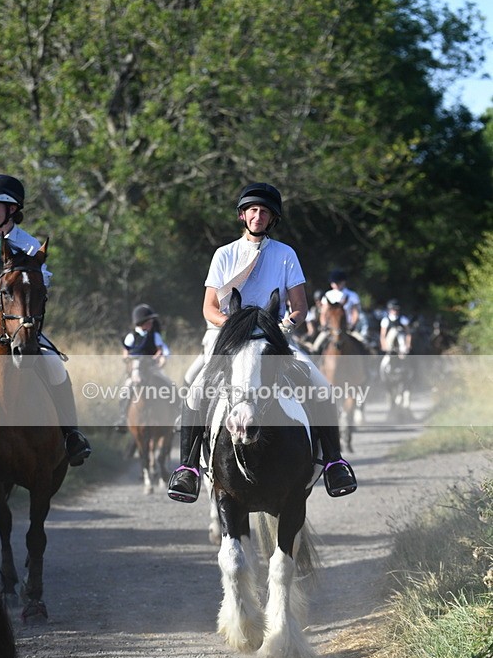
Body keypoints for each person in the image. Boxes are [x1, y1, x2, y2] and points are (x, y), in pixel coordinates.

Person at [167, 182, 357, 503]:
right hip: (229, 338)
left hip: (273, 337)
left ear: (272, 219)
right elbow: (209, 308)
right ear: (243, 215)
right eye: (253, 210)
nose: (258, 216)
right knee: (195, 389)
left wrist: (282, 326)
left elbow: (299, 307)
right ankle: (188, 468)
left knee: (322, 387)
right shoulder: (224, 254)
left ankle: (334, 463)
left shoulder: (285, 255)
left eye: (265, 212)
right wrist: (236, 326)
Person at [0, 173, 91, 467]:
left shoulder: (30, 245)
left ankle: (71, 435)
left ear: (12, 209)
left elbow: (41, 285)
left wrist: (25, 310)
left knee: (54, 365)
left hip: (20, 322)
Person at [115, 303, 173, 430]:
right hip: (136, 369)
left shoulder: (155, 336)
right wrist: (127, 359)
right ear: (141, 322)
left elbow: (159, 350)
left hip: (151, 368)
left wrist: (157, 357)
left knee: (168, 384)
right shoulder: (131, 336)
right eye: (149, 322)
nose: (151, 324)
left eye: (151, 322)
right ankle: (123, 417)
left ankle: (175, 413)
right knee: (124, 391)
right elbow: (126, 352)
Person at [312, 269, 366, 352]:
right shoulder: (328, 295)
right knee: (315, 347)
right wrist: (324, 325)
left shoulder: (352, 295)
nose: (335, 284)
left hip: (348, 328)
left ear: (343, 282)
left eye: (338, 282)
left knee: (364, 343)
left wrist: (352, 324)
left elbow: (355, 312)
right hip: (331, 329)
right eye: (334, 283)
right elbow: (323, 313)